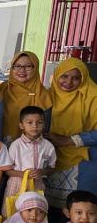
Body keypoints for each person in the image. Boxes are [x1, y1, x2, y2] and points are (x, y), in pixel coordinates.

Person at [46, 58, 97, 209]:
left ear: (84, 78)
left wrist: (69, 140)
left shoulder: (93, 97)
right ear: (56, 75)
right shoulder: (47, 96)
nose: (68, 82)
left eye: (76, 78)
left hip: (85, 160)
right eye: (64, 76)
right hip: (50, 158)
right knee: (47, 210)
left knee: (81, 210)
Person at [0, 51, 52, 144]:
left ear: (35, 68)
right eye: (17, 66)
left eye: (28, 66)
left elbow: (45, 128)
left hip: (32, 147)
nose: (22, 70)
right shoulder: (3, 89)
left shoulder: (43, 94)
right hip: (1, 145)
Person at [4, 106, 56, 199]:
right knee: (14, 206)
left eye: (39, 122)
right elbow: (7, 170)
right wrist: (23, 174)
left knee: (35, 207)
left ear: (44, 125)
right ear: (21, 125)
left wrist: (42, 172)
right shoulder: (16, 145)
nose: (35, 126)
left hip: (37, 184)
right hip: (17, 184)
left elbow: (52, 168)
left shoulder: (48, 146)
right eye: (30, 122)